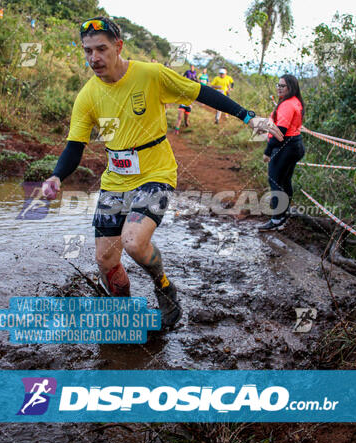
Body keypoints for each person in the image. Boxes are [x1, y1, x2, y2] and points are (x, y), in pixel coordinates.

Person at [42, 17, 283, 328]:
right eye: (88, 51)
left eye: (101, 49)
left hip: (156, 172)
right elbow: (74, 147)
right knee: (105, 261)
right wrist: (56, 176)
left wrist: (249, 117)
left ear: (118, 46)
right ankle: (122, 315)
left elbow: (200, 92)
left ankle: (165, 287)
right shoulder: (88, 95)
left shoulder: (150, 74)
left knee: (132, 241)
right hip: (115, 180)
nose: (94, 59)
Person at [258, 74, 305, 231]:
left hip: (286, 146)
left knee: (275, 181)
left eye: (282, 86)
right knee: (285, 181)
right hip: (295, 145)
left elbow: (280, 132)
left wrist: (268, 151)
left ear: (290, 88)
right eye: (278, 85)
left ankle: (277, 219)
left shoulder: (287, 105)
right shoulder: (295, 102)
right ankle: (283, 214)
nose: (278, 88)